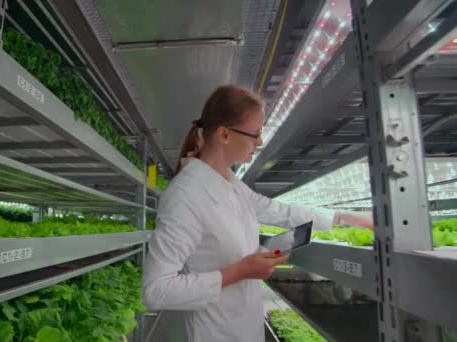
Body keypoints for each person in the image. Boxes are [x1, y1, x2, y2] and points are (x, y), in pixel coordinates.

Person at [142, 85, 373, 342]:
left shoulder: (230, 184)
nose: (259, 143)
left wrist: (346, 218)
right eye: (255, 134)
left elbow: (277, 210)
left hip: (244, 326)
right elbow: (156, 291)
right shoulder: (185, 196)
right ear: (224, 134)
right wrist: (239, 271)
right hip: (216, 333)